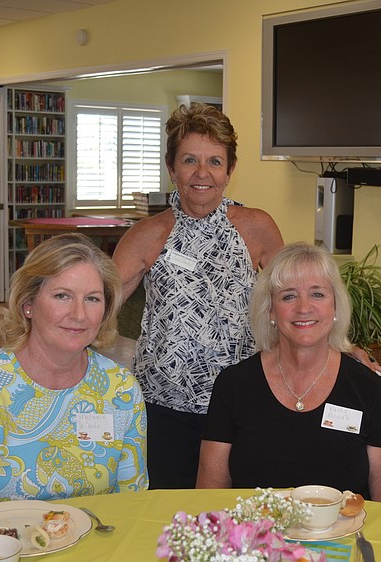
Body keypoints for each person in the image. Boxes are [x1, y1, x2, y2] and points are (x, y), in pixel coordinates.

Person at [0, 234, 148, 528]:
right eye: (62, 295)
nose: (78, 314)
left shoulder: (120, 390)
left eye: (92, 299)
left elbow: (130, 502)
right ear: (28, 304)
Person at [112, 102, 284, 489]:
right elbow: (93, 306)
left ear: (230, 170)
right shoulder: (147, 235)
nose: (202, 173)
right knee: (167, 518)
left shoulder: (256, 227)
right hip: (163, 407)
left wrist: (342, 348)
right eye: (190, 160)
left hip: (241, 407)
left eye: (215, 161)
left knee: (235, 518)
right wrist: (21, 346)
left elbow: (292, 303)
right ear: (172, 168)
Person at [196, 242, 381, 504]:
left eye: (317, 294)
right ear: (271, 310)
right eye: (288, 296)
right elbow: (209, 497)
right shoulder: (233, 385)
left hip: (342, 540)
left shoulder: (368, 389)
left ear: (336, 307)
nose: (304, 308)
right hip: (254, 539)